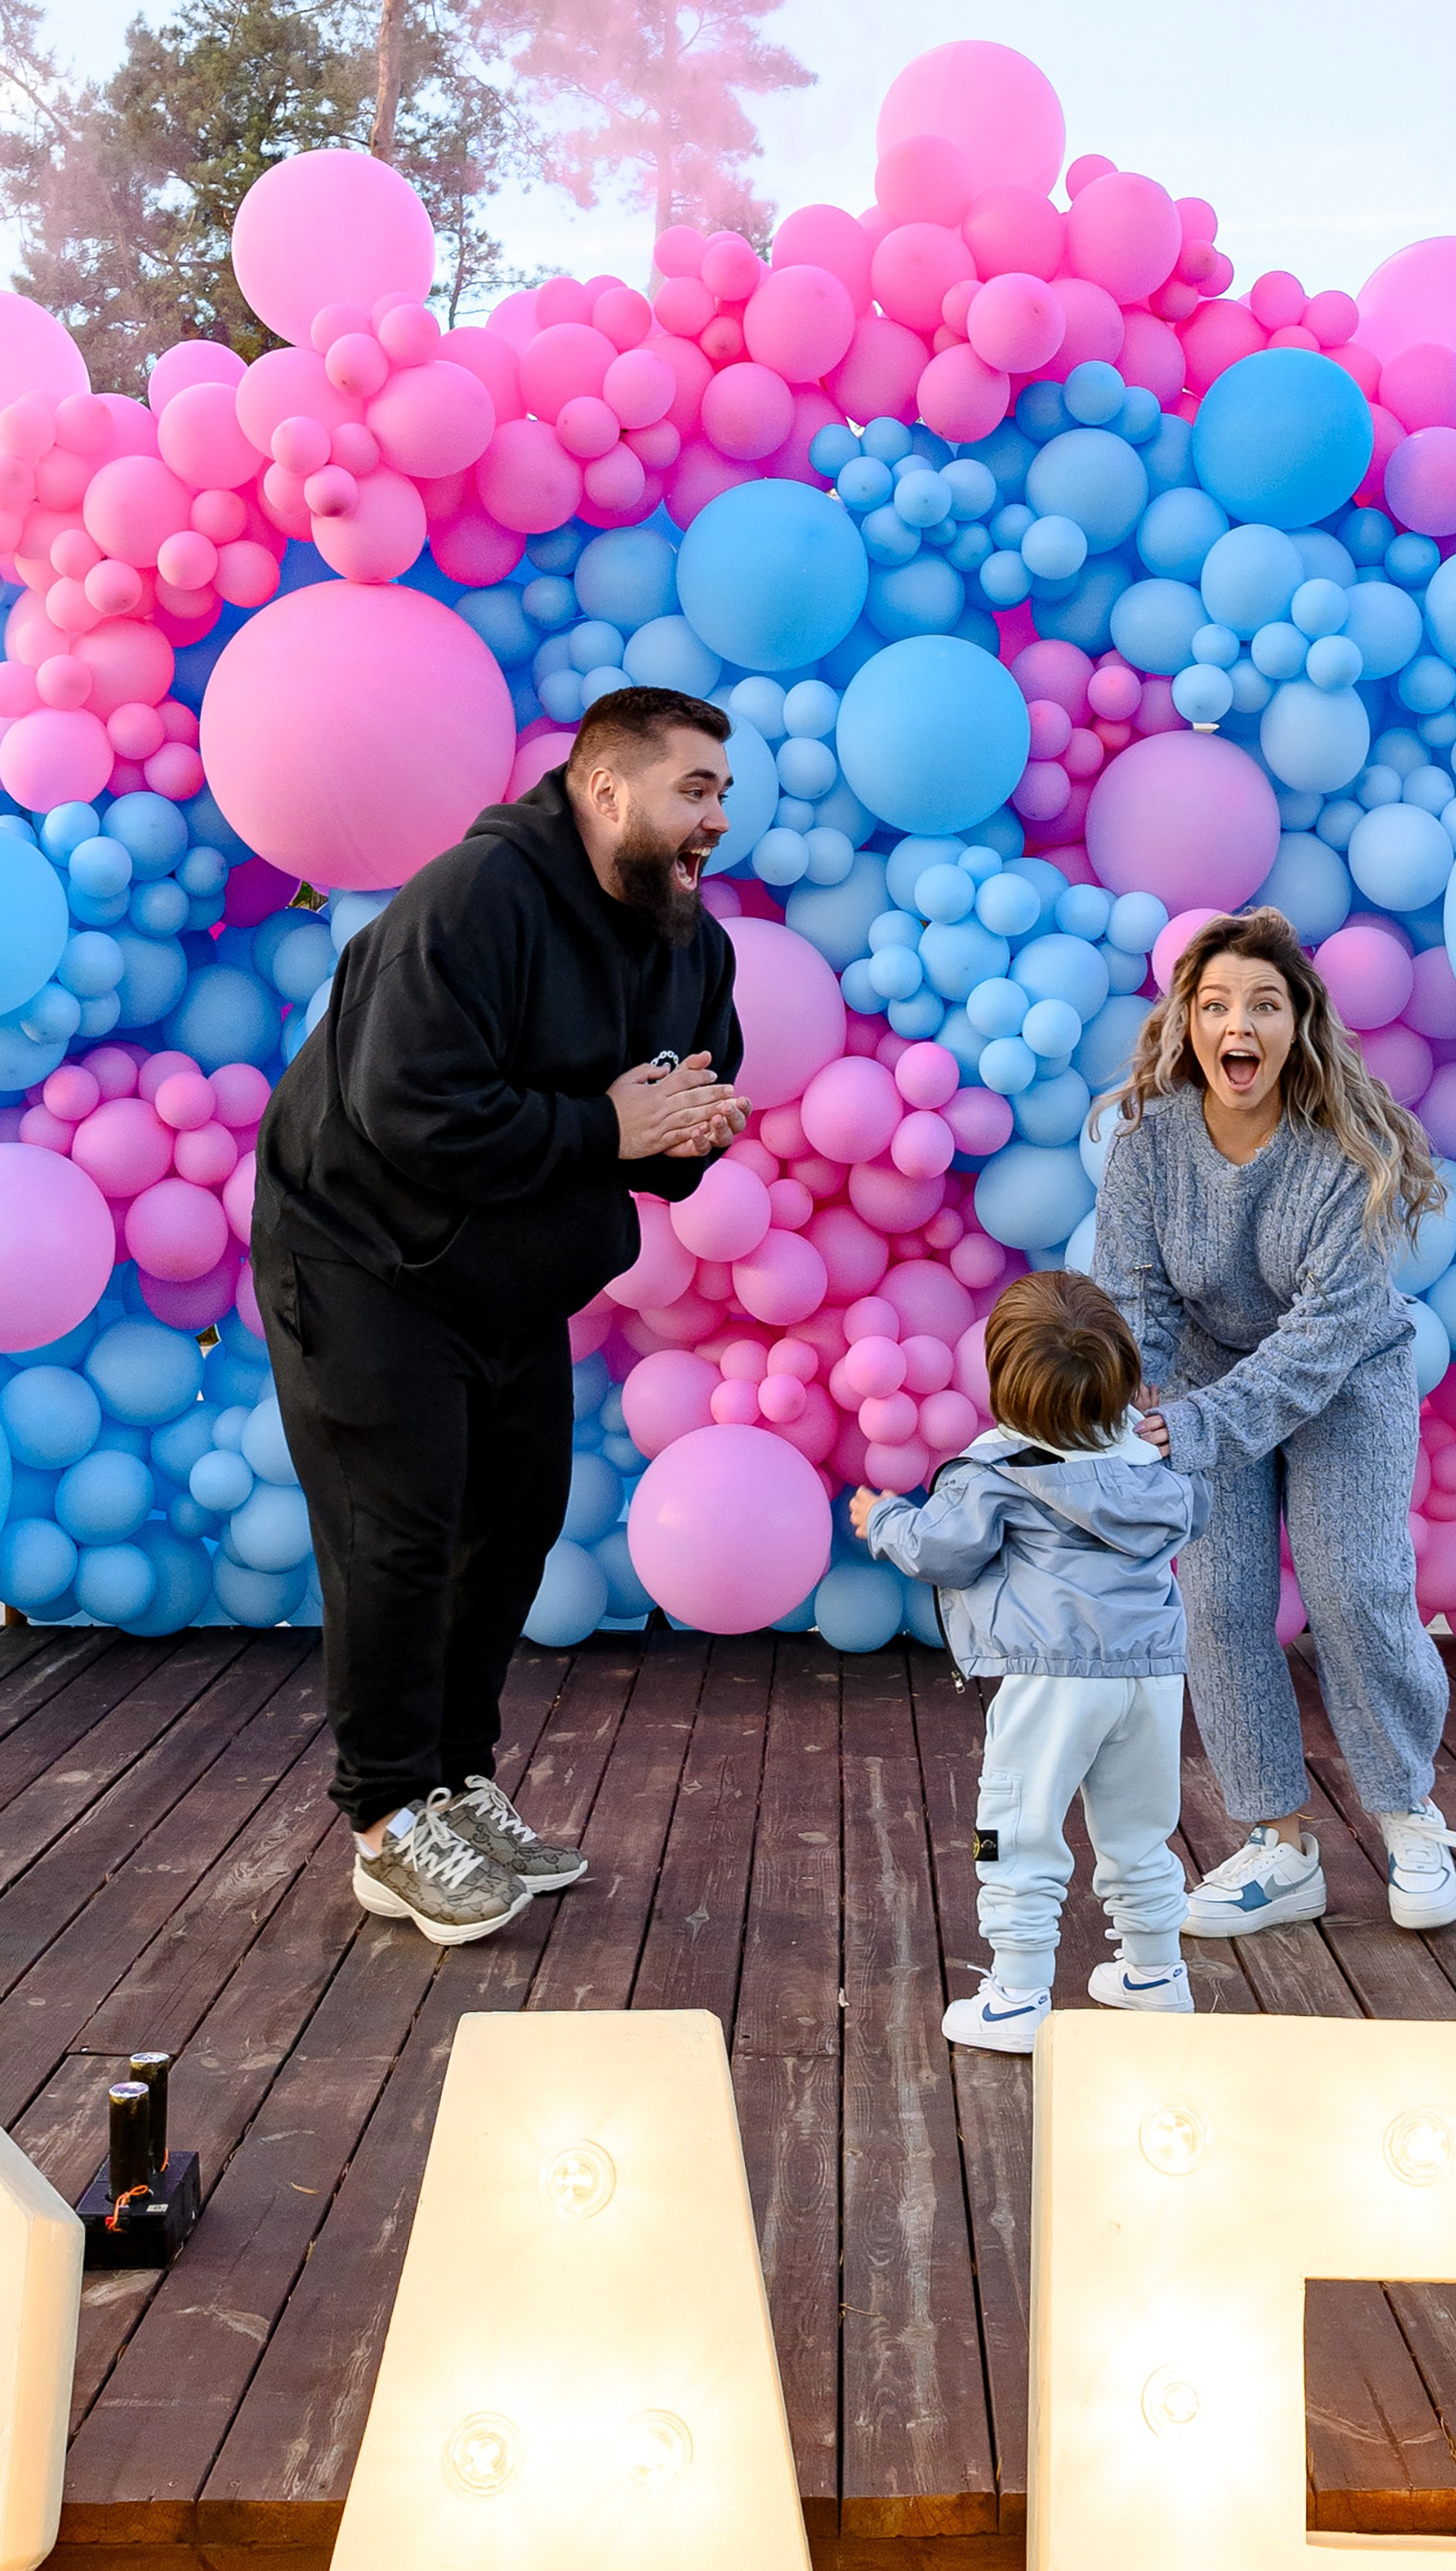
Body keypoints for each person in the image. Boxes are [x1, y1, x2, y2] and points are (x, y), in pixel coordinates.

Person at [252, 686, 748, 1948]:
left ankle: (455, 1782)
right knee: (399, 1532)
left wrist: (686, 1134)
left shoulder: (690, 941)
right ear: (605, 790)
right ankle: (385, 1822)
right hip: (360, 1256)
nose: (715, 818)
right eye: (693, 789)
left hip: (506, 1270)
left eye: (723, 794)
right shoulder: (476, 898)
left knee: (515, 1513)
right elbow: (407, 1106)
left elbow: (674, 1120)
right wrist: (607, 1126)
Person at [1091, 908, 1456, 1938]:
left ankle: (1407, 1812)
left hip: (1345, 1378)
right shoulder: (1149, 1143)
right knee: (1218, 1601)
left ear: (1297, 1023)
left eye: (1263, 1004)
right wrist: (1132, 1401)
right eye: (1216, 1004)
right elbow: (1134, 1296)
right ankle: (1278, 1844)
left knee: (1353, 1586)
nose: (1238, 1023)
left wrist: (1193, 1425)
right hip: (1205, 1381)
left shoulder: (1341, 1152)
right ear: (1189, 1024)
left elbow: (1320, 1339)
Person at [850, 1269, 1209, 2053]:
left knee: (1010, 1828)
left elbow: (942, 1551)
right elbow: (1196, 1509)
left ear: (1007, 1384)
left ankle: (1016, 1995)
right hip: (1150, 1675)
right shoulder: (1155, 1465)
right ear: (1120, 1376)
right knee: (1140, 1830)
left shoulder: (1000, 1475)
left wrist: (885, 1520)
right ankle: (1155, 1972)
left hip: (1051, 1679)